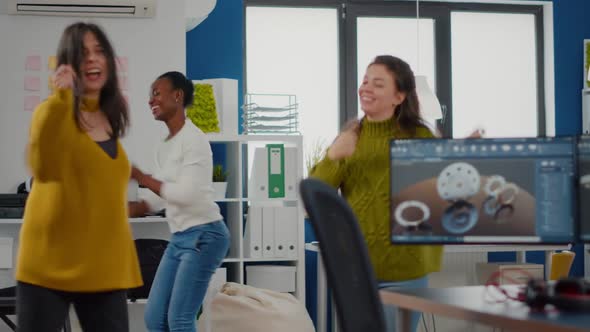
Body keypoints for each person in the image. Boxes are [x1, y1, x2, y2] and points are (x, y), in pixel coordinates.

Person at [16, 22, 142, 331]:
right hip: (49, 263)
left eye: (99, 51)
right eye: (82, 53)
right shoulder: (50, 111)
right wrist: (61, 99)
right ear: (69, 64)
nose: (92, 59)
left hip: (104, 265)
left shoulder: (111, 116)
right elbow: (42, 169)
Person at [309, 55, 443, 332]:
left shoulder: (419, 136)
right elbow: (316, 196)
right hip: (356, 268)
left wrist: (463, 157)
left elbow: (442, 194)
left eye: (378, 84)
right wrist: (334, 155)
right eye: (365, 81)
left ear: (399, 96)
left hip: (405, 268)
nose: (366, 88)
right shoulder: (350, 136)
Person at [128, 71, 230, 332]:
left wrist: (142, 177)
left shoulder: (195, 140)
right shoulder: (164, 145)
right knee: (154, 319)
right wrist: (129, 208)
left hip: (205, 235)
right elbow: (157, 198)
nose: (151, 100)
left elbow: (187, 194)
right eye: (150, 95)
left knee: (180, 320)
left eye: (157, 93)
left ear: (177, 96)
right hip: (180, 238)